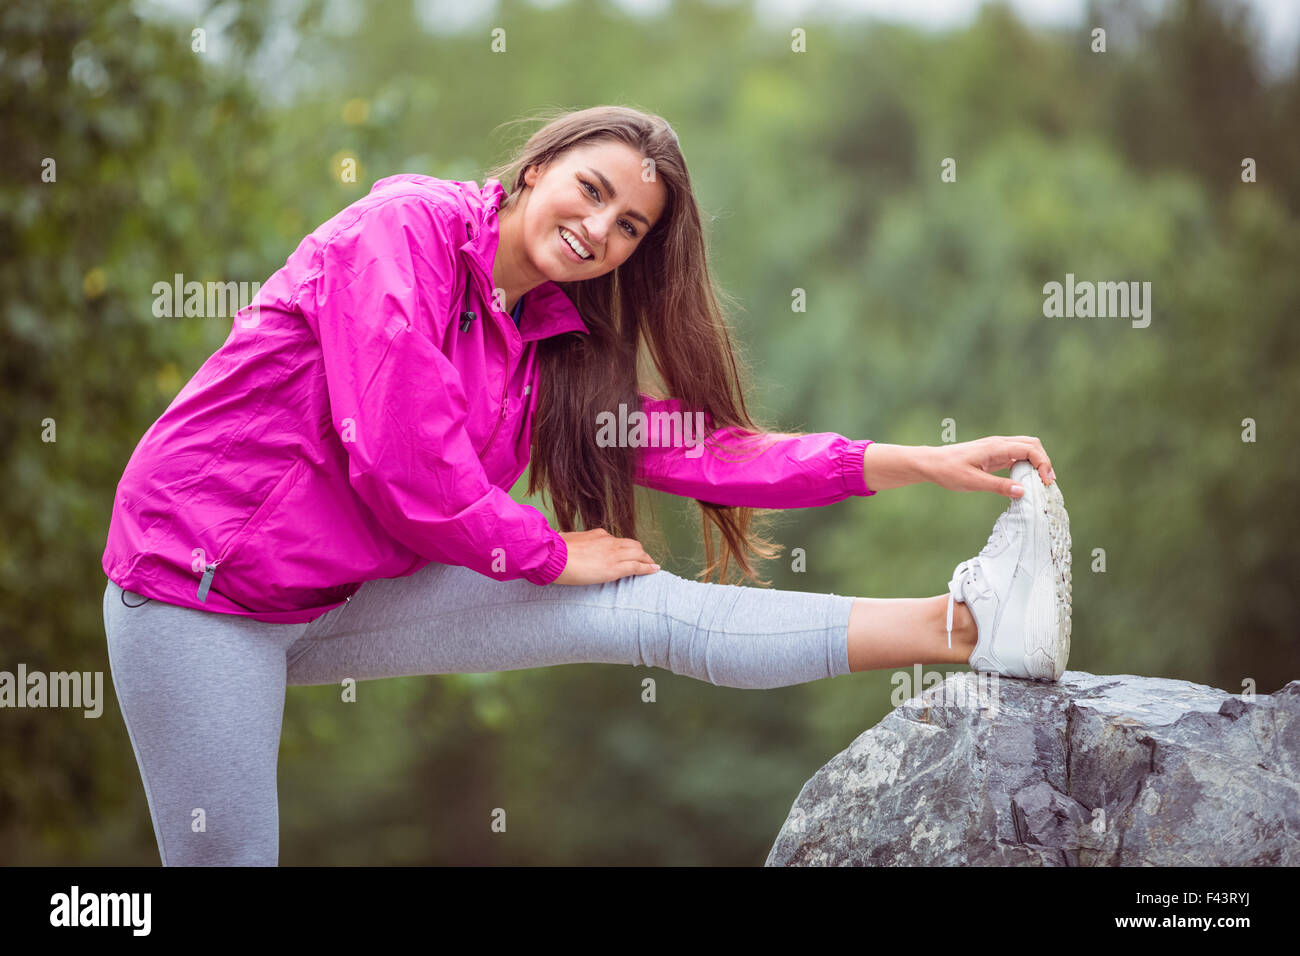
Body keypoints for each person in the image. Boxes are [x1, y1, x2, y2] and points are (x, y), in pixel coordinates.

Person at [100, 105, 1070, 866]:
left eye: (628, 225)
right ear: (536, 169)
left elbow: (707, 451)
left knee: (635, 606)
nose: (599, 226)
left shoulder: (550, 346)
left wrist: (906, 461)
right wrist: (551, 551)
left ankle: (969, 626)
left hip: (331, 593)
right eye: (591, 190)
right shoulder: (403, 228)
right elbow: (402, 460)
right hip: (199, 587)